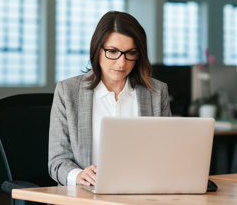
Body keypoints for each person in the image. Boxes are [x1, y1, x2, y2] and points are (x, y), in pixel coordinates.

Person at [48, 11, 172, 187]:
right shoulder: (67, 92)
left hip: (141, 192)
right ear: (97, 50)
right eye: (112, 52)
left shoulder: (157, 92)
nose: (122, 63)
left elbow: (166, 153)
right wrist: (78, 175)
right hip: (86, 195)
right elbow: (57, 161)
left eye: (131, 53)